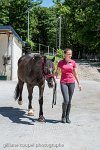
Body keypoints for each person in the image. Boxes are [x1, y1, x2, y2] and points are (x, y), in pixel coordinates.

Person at [55, 48, 81, 123]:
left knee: (69, 101)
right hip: (63, 82)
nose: (70, 55)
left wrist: (79, 83)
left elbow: (75, 74)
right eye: (69, 54)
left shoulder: (73, 62)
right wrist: (54, 77)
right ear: (65, 54)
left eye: (71, 54)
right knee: (66, 99)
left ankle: (67, 116)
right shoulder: (61, 62)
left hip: (72, 83)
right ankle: (63, 115)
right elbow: (57, 72)